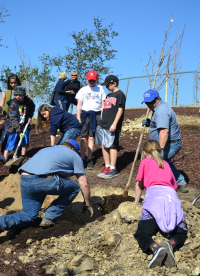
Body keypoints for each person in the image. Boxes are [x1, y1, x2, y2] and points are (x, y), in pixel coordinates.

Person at [0, 139, 93, 232]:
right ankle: (49, 217)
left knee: (28, 215)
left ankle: (1, 223)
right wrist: (87, 203)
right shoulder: (73, 154)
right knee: (75, 188)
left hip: (25, 180)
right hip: (44, 180)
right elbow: (84, 184)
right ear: (73, 149)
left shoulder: (46, 149)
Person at [134, 140, 187, 269]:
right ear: (160, 151)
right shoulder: (167, 165)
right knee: (181, 233)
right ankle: (171, 243)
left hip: (154, 200)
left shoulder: (145, 162)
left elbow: (139, 185)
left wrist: (136, 202)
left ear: (145, 153)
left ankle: (155, 248)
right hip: (171, 200)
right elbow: (174, 187)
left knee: (141, 233)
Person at [141, 89, 188, 193]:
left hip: (168, 144)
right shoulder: (159, 108)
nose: (149, 105)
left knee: (158, 162)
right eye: (147, 102)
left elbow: (163, 131)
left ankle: (162, 186)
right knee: (165, 162)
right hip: (169, 143)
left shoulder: (161, 111)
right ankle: (180, 182)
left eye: (151, 102)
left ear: (158, 98)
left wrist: (160, 150)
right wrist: (150, 123)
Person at [95, 75, 126, 178]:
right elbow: (104, 107)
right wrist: (102, 119)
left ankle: (113, 168)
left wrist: (114, 124)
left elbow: (120, 110)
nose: (106, 87)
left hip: (112, 125)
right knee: (104, 145)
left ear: (114, 83)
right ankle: (107, 166)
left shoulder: (120, 94)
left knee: (112, 146)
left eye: (108, 85)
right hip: (104, 124)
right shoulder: (109, 95)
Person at [76, 70, 106, 169]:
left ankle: (89, 159)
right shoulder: (83, 90)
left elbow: (103, 105)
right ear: (86, 79)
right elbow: (79, 105)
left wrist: (102, 116)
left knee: (92, 137)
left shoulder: (100, 89)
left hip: (96, 114)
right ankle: (81, 158)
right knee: (83, 137)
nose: (91, 82)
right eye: (90, 80)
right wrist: (79, 118)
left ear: (96, 79)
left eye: (93, 80)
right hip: (85, 114)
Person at [4, 86, 35, 162]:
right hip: (13, 127)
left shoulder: (28, 101)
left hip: (24, 124)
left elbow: (32, 107)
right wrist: (19, 132)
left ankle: (23, 156)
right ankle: (4, 160)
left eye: (20, 95)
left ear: (24, 95)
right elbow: (13, 119)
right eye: (16, 94)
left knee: (25, 139)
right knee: (10, 143)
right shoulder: (12, 105)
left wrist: (30, 116)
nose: (18, 96)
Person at [0, 74, 21, 159]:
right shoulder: (5, 92)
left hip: (17, 117)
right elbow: (1, 105)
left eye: (15, 82)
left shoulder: (20, 92)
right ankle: (2, 155)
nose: (13, 84)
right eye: (11, 83)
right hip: (7, 118)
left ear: (17, 82)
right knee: (5, 136)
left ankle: (17, 153)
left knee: (17, 134)